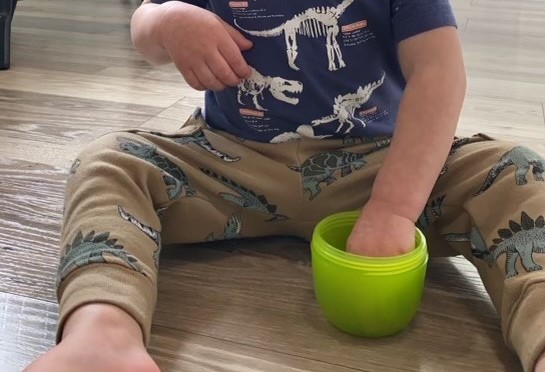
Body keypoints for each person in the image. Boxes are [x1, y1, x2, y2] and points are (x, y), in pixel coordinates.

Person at [25, 0, 545, 371]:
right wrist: (167, 21)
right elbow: (144, 21)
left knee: (516, 173)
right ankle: (103, 331)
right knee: (109, 163)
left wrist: (392, 208)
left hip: (382, 165)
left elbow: (439, 70)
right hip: (232, 165)